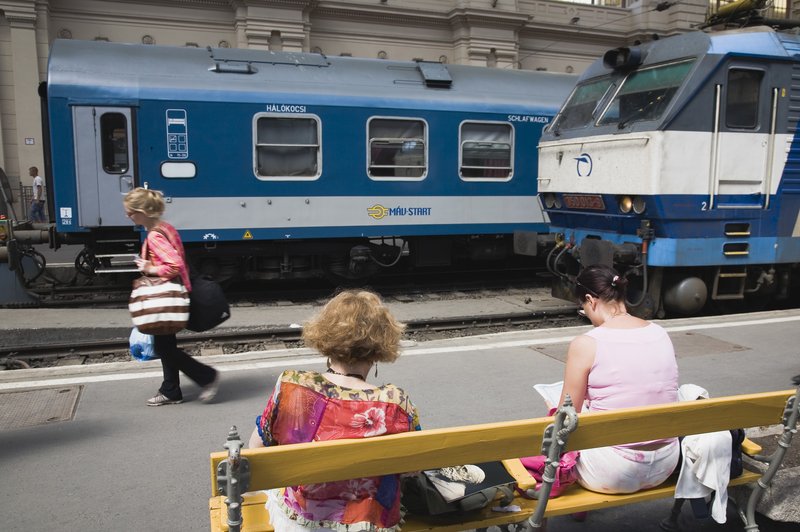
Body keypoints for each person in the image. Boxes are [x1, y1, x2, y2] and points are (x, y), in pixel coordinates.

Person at [249, 290, 421, 531]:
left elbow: (255, 450)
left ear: (325, 336)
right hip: (368, 524)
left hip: (301, 523)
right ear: (380, 347)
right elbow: (413, 468)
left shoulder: (291, 385)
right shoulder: (395, 403)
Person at [559, 264, 679, 494]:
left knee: (559, 407)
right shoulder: (660, 333)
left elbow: (567, 417)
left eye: (583, 308)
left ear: (590, 300)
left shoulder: (587, 343)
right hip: (665, 464)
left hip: (612, 471)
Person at [123, 187, 218, 406]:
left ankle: (206, 376)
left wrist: (150, 267)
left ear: (143, 212)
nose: (128, 217)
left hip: (163, 299)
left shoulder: (155, 235)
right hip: (170, 296)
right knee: (165, 344)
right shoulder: (165, 228)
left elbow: (173, 264)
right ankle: (171, 390)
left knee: (162, 347)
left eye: (130, 212)